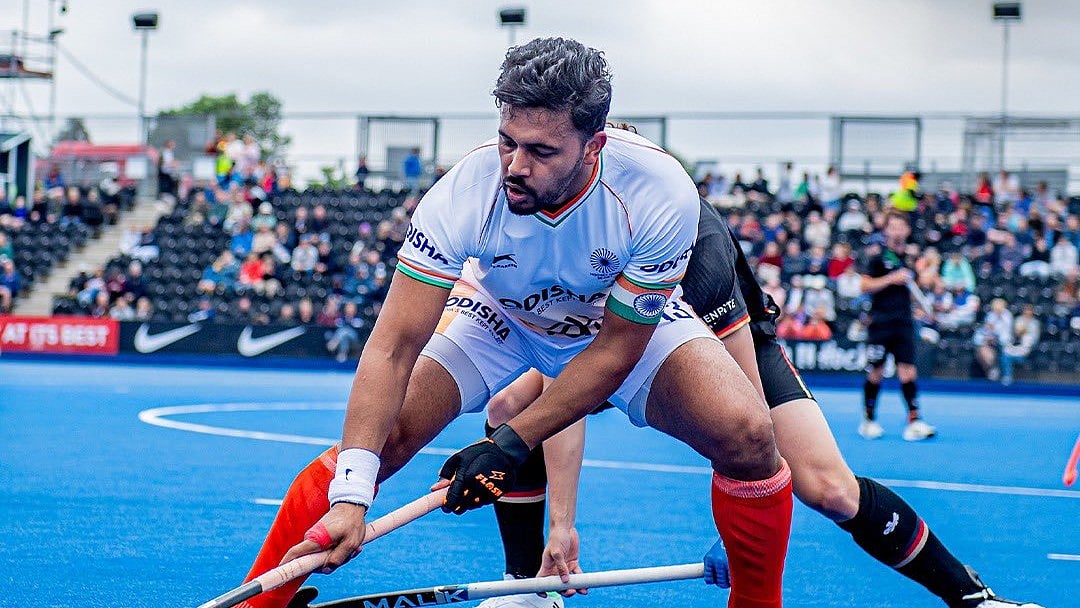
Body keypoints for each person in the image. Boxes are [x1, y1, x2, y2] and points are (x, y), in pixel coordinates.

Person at [232, 38, 792, 608]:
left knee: (748, 435)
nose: (514, 167)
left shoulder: (658, 191)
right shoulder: (466, 191)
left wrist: (510, 443)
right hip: (499, 313)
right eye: (507, 141)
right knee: (382, 439)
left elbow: (616, 350)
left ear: (593, 144)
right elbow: (395, 346)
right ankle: (261, 604)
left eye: (541, 151)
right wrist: (351, 496)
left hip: (607, 322)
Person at [475, 198, 1042, 608]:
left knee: (830, 489)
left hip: (724, 350)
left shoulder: (695, 237)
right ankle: (527, 589)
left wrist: (745, 516)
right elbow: (559, 398)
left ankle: (972, 597)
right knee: (509, 410)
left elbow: (745, 418)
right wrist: (562, 530)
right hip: (616, 348)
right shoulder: (570, 230)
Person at [859, 211, 937, 441]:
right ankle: (869, 420)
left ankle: (914, 421)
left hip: (904, 322)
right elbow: (864, 285)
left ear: (907, 230)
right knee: (876, 372)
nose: (896, 231)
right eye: (892, 227)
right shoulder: (877, 256)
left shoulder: (909, 259)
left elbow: (914, 289)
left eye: (900, 227)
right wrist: (891, 279)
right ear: (886, 231)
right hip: (880, 322)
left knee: (908, 371)